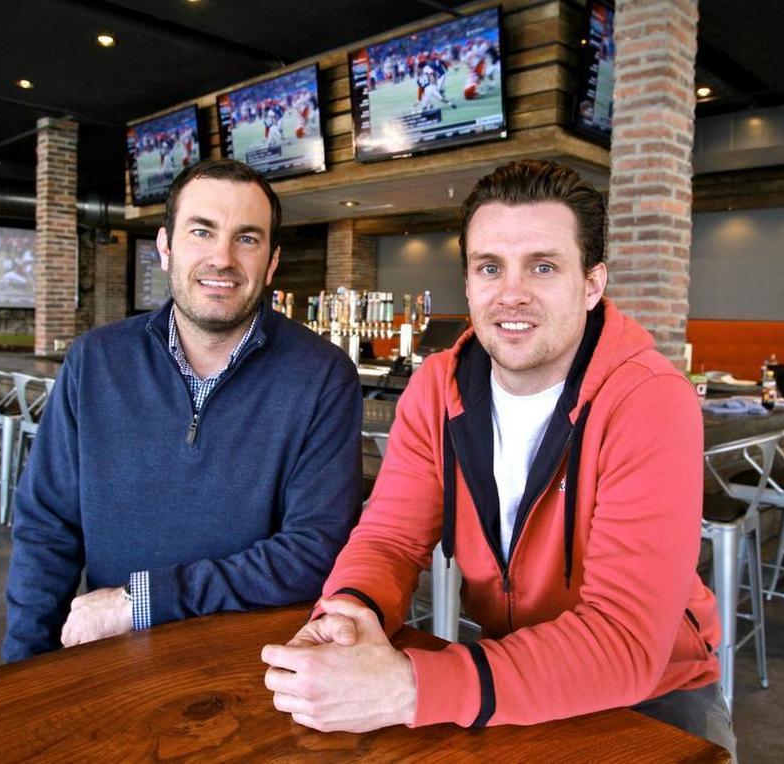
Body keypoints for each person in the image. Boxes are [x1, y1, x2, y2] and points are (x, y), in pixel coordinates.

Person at [261, 159, 733, 756]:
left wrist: (410, 687)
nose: (512, 294)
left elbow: (625, 643)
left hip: (654, 692)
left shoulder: (648, 400)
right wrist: (350, 610)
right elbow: (390, 538)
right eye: (490, 267)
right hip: (504, 662)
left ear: (591, 284)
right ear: (468, 283)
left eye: (543, 266)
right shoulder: (437, 386)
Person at [3, 159, 362, 661]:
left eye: (247, 238)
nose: (222, 258)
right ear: (165, 247)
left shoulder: (323, 376)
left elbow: (314, 550)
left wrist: (144, 601)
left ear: (272, 262)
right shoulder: (96, 361)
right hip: (114, 657)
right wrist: (24, 669)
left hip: (258, 663)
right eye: (202, 231)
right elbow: (46, 529)